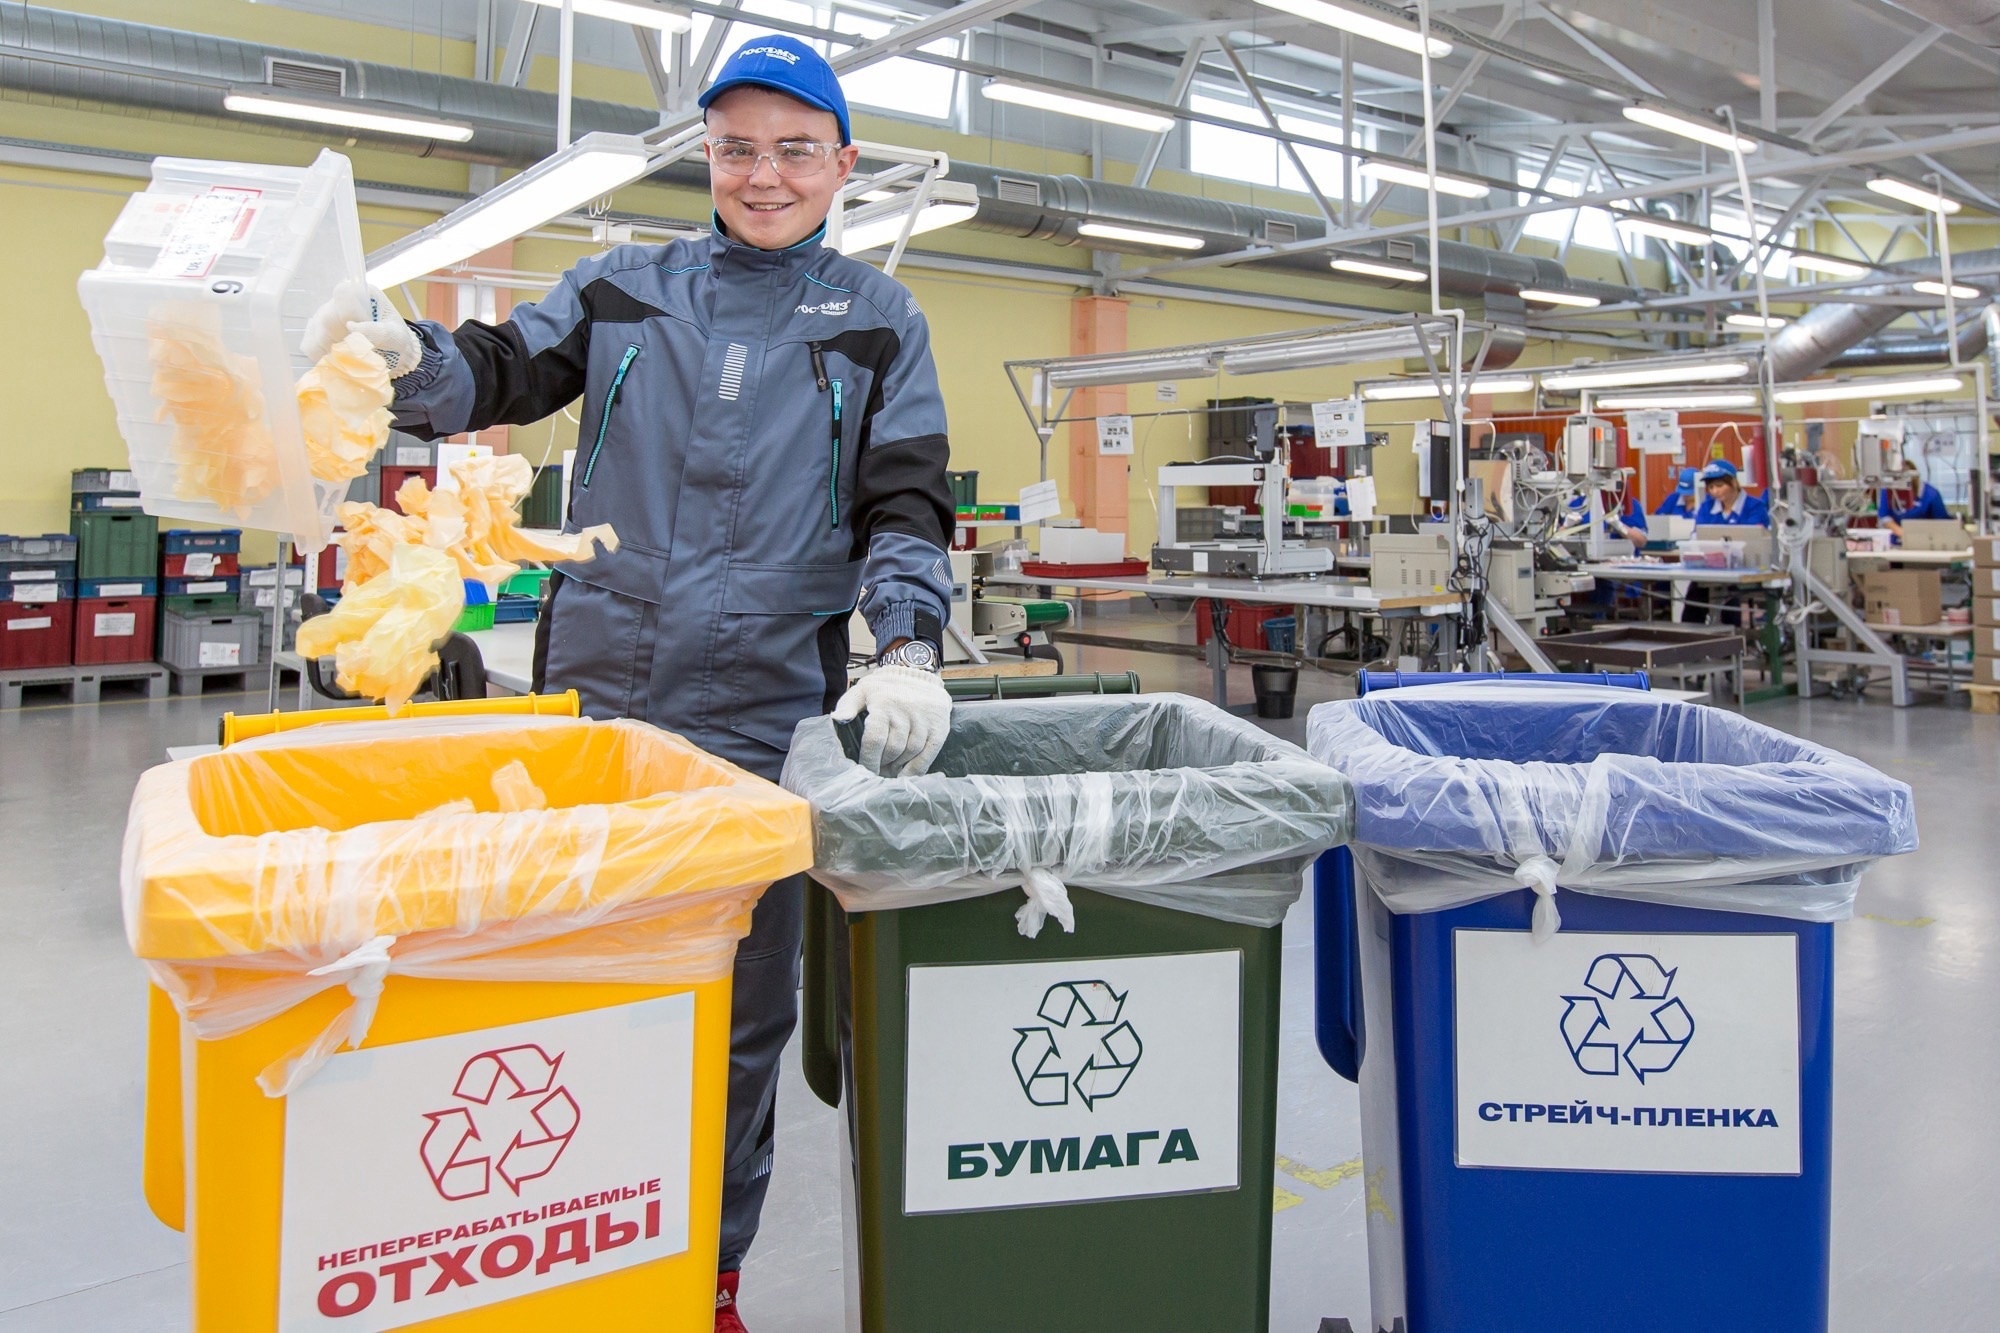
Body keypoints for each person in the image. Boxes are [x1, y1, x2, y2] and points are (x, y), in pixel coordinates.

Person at [306, 36, 956, 1332]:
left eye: (792, 151)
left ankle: (705, 1276)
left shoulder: (879, 320)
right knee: (576, 979)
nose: (763, 176)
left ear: (843, 164)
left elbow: (908, 499)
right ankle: (572, 1259)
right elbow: (496, 370)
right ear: (705, 156)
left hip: (767, 710)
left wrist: (906, 645)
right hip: (604, 697)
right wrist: (398, 353)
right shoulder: (620, 290)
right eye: (736, 149)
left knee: (740, 1016)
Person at [1681, 458, 1769, 625]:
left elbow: (1754, 539)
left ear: (1734, 483)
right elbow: (1697, 535)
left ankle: (1732, 636)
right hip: (1712, 570)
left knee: (1731, 602)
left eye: (1720, 486)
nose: (1715, 491)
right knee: (1695, 594)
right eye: (1711, 487)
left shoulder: (1755, 506)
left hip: (1746, 570)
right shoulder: (1707, 507)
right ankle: (1690, 634)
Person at [1878, 467, 1951, 542]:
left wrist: (1917, 538)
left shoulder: (1931, 494)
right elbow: (1884, 517)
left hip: (1926, 540)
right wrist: (1903, 534)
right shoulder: (1888, 490)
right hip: (1896, 541)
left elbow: (1942, 523)